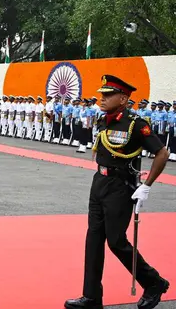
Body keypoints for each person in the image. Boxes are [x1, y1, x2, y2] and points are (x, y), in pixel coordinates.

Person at [65, 75, 170, 309]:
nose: (102, 99)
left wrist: (147, 185)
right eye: (101, 94)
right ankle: (91, 297)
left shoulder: (135, 123)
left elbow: (161, 153)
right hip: (99, 183)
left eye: (108, 95)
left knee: (116, 241)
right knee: (93, 239)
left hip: (120, 188)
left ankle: (153, 282)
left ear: (123, 98)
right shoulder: (106, 120)